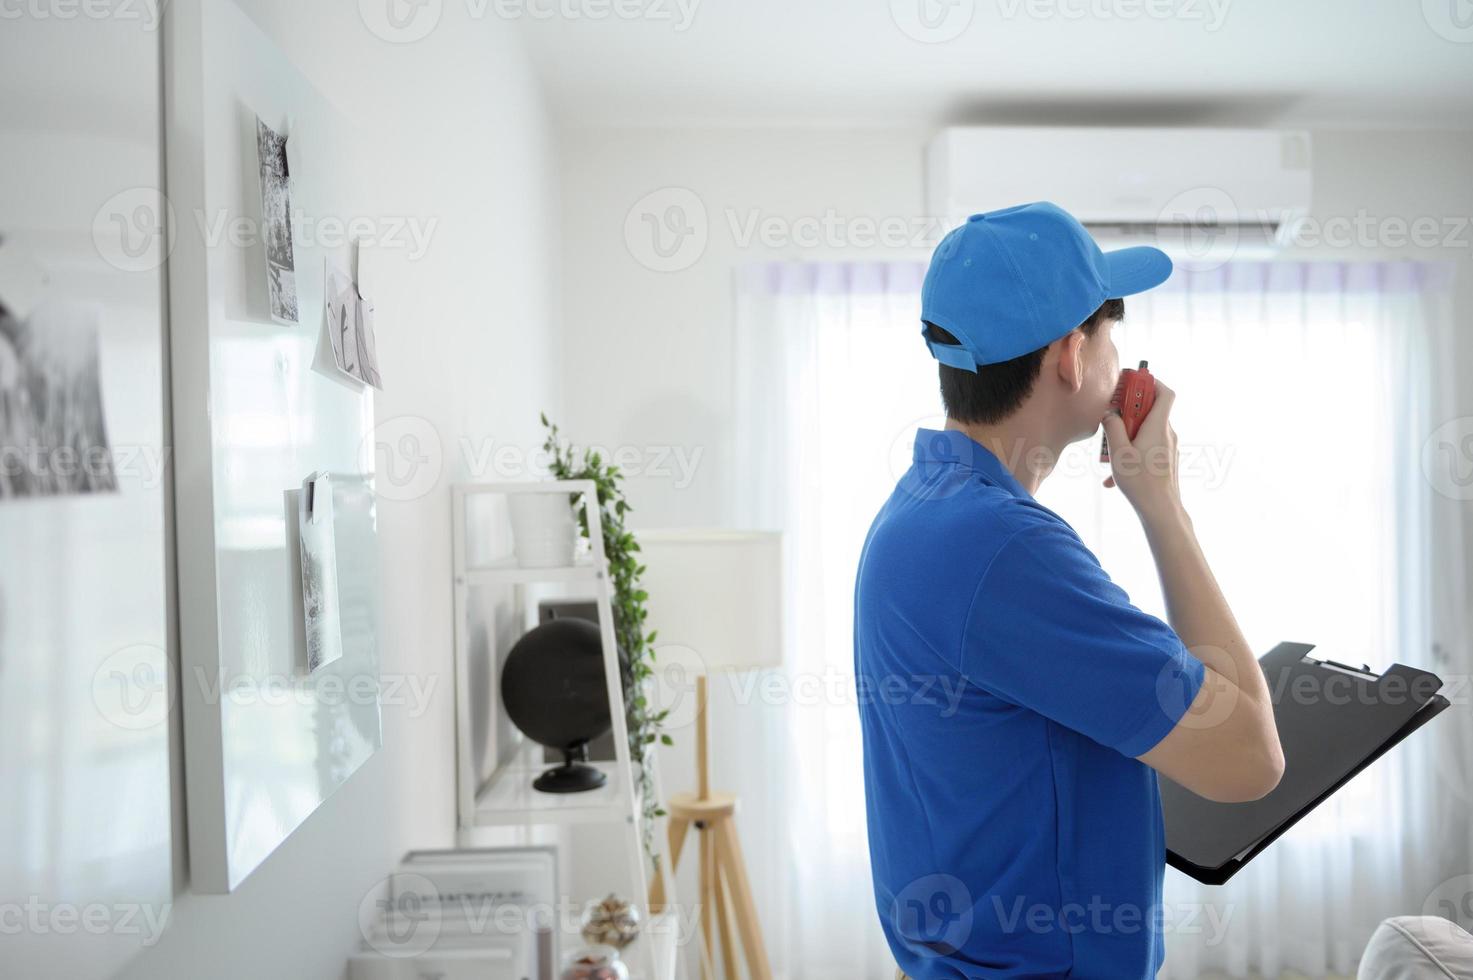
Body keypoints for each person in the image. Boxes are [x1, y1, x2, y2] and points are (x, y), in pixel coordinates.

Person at [853, 202, 1284, 979]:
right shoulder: (1005, 549)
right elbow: (1250, 758)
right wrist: (1164, 508)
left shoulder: (916, 512)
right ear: (1070, 356)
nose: (1120, 355)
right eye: (1110, 333)